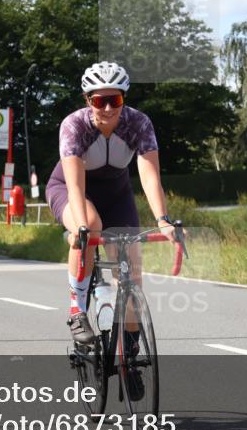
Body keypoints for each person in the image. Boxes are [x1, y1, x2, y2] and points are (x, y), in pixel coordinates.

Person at [45, 62, 175, 346]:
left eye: (114, 100)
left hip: (116, 194)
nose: (107, 108)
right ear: (87, 100)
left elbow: (150, 178)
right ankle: (77, 311)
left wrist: (163, 220)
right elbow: (76, 186)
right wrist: (81, 227)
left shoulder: (138, 124)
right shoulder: (74, 125)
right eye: (99, 101)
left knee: (131, 266)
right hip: (70, 190)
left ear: (123, 98)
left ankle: (129, 345)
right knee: (91, 227)